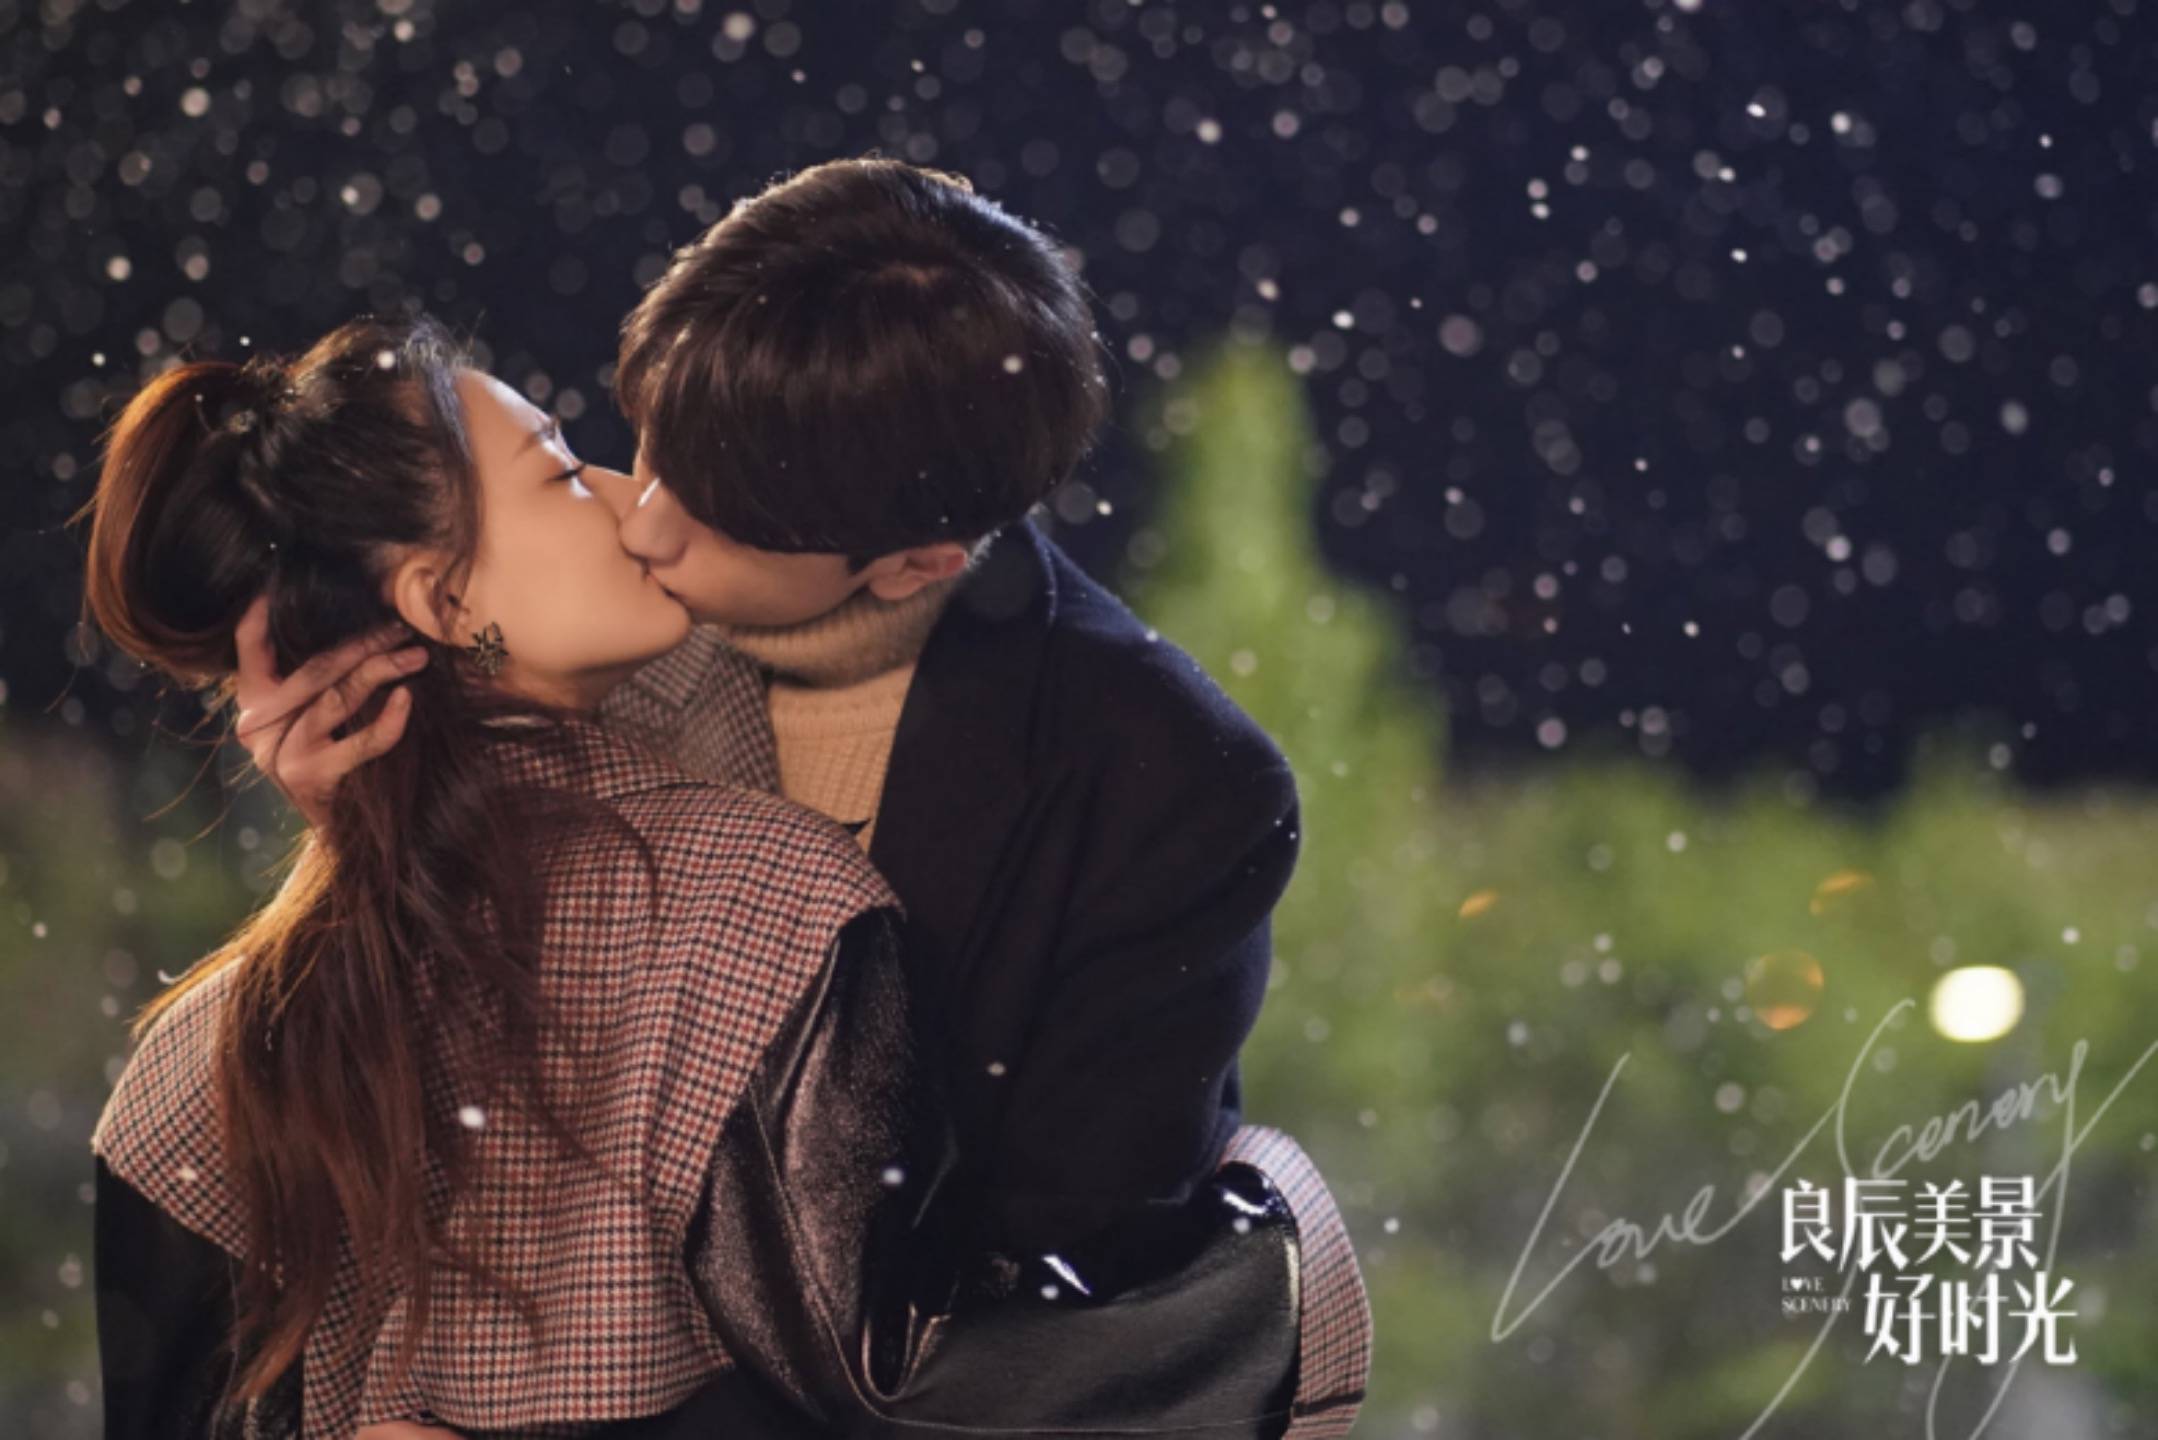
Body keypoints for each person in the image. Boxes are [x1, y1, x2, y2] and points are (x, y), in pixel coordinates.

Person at [238, 157, 1372, 1438]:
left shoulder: (1165, 791)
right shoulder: (594, 630)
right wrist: (364, 824)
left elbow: (1022, 1344)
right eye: (649, 443)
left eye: (715, 514)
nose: (642, 520)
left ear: (913, 564)